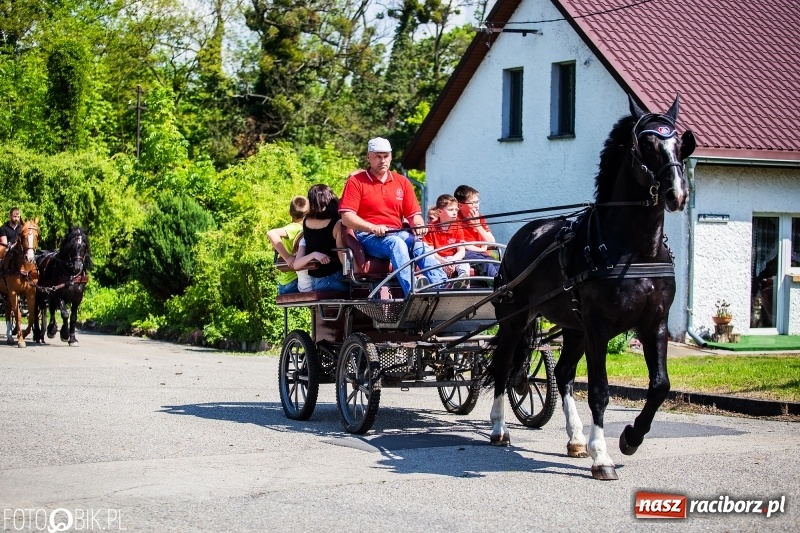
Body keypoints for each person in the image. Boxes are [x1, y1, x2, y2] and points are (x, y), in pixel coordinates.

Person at [339, 137, 446, 296]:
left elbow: (414, 215)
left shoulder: (402, 182)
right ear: (368, 157)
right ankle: (413, 292)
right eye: (377, 156)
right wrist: (372, 227)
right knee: (396, 243)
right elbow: (346, 217)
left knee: (419, 245)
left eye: (386, 156)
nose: (382, 160)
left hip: (396, 232)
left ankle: (442, 287)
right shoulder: (356, 182)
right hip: (368, 236)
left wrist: (418, 224)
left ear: (391, 156)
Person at [293, 184, 348, 293]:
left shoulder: (306, 221)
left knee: (324, 310)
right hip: (335, 276)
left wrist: (314, 254)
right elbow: (342, 254)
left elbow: (296, 264)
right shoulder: (337, 223)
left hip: (316, 280)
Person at [454, 185, 499, 280]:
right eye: (473, 203)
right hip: (467, 254)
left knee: (499, 266)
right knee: (487, 265)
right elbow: (462, 244)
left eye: (477, 202)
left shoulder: (480, 218)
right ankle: (498, 285)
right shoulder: (455, 219)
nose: (477, 205)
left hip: (482, 254)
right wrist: (481, 248)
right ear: (460, 205)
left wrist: (478, 226)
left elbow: (492, 242)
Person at [267, 196, 310, 295]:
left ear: (290, 213)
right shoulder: (296, 228)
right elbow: (271, 233)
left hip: (288, 280)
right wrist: (287, 258)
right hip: (292, 281)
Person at [424, 194, 469, 287]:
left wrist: (452, 261)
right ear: (439, 212)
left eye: (456, 210)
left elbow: (461, 251)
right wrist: (444, 262)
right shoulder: (431, 228)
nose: (454, 212)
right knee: (432, 263)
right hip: (438, 259)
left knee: (464, 264)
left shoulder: (458, 227)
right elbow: (431, 252)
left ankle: (462, 280)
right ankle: (442, 284)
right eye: (450, 210)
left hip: (452, 258)